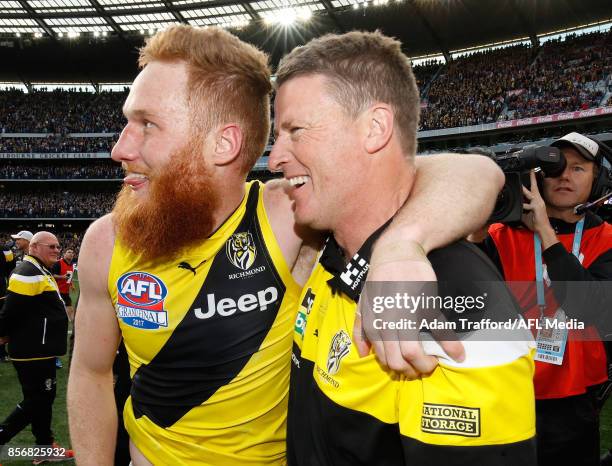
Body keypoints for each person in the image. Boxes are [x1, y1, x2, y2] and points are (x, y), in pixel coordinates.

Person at [67, 25, 504, 466]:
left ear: (223, 143)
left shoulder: (288, 218)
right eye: (128, 122)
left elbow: (473, 174)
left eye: (147, 124)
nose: (119, 148)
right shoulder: (108, 242)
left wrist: (401, 246)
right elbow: (90, 372)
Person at [270, 31, 536, 465]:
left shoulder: (453, 298)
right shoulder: (330, 249)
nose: (276, 156)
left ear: (374, 129)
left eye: (295, 131)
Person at [474, 131, 612, 466]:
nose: (564, 175)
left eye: (578, 168)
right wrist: (477, 221)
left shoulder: (607, 238)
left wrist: (546, 234)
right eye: (556, 168)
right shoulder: (498, 235)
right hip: (508, 389)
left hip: (575, 399)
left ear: (598, 180)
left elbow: (590, 307)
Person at [0, 231, 74, 462]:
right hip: (33, 351)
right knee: (39, 399)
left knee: (42, 398)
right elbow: (10, 312)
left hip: (39, 350)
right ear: (34, 247)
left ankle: (44, 448)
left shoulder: (37, 269)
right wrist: (3, 335)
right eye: (50, 246)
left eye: (58, 246)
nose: (56, 250)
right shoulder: (28, 272)